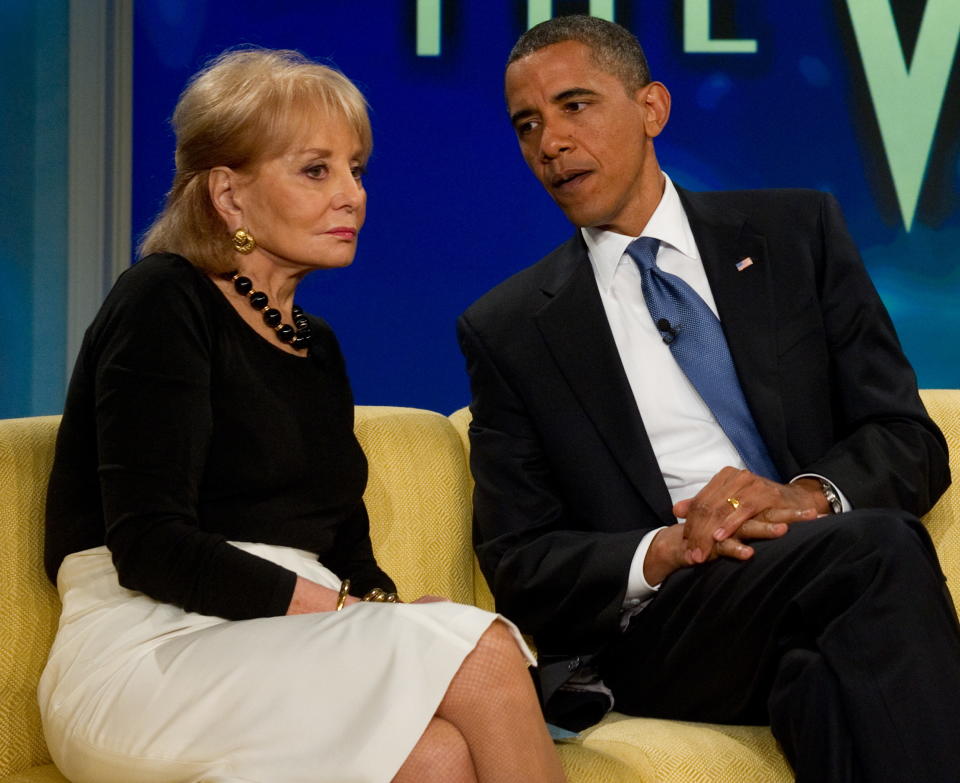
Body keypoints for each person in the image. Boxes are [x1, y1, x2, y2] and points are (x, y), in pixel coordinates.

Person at [40, 48, 565, 783]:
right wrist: (354, 614)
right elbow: (151, 545)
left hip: (285, 641)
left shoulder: (315, 347)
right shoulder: (162, 300)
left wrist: (384, 607)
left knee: (438, 757)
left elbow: (345, 546)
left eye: (357, 170)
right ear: (228, 195)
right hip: (149, 650)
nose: (352, 195)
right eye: (316, 170)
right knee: (485, 653)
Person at [457, 15, 960, 783]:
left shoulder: (798, 234)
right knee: (880, 550)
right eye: (527, 124)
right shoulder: (510, 329)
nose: (549, 143)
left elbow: (906, 436)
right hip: (668, 624)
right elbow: (522, 560)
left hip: (814, 577)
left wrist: (802, 497)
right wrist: (665, 548)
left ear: (652, 108)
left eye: (575, 105)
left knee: (820, 676)